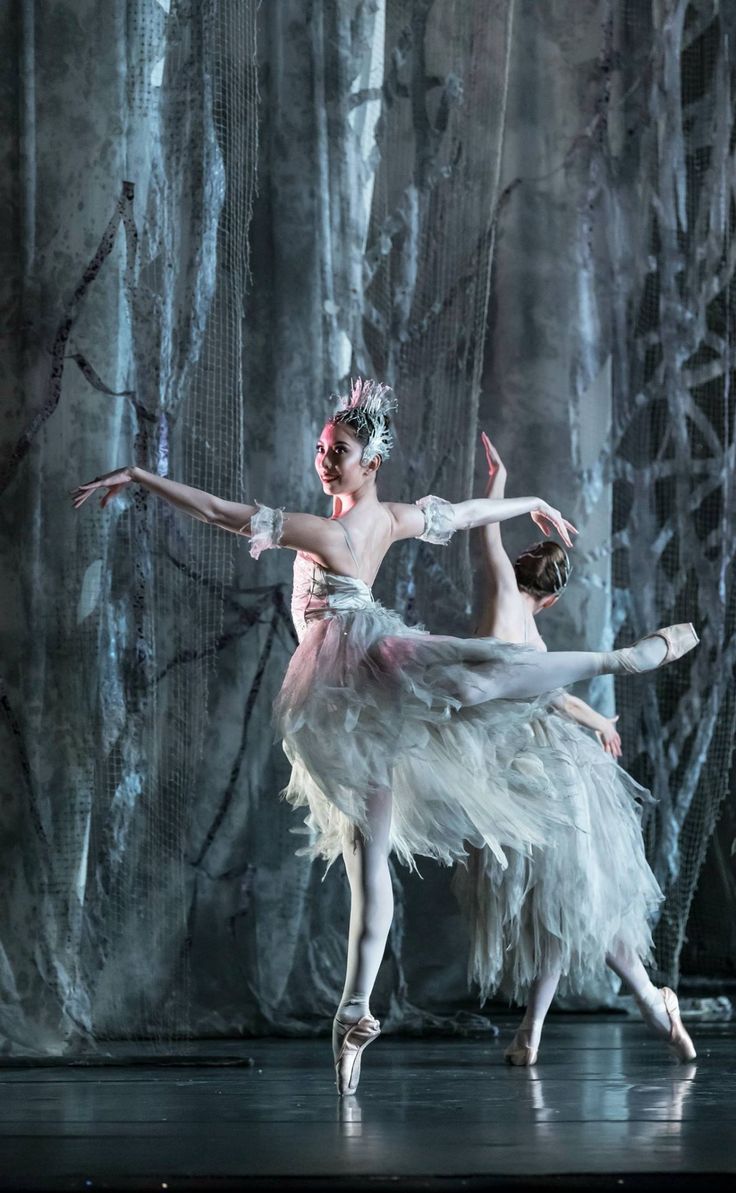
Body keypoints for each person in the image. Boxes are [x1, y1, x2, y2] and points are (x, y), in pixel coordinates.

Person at [72, 380, 698, 1093]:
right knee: (393, 818)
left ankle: (622, 660)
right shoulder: (388, 519)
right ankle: (354, 1011)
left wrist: (142, 476)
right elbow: (466, 515)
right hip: (366, 689)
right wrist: (526, 500)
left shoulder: (327, 533)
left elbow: (221, 512)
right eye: (321, 449)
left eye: (338, 452)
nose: (324, 460)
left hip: (353, 681)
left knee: (469, 685)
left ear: (371, 464)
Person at [453, 432, 697, 1066]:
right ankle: (639, 1006)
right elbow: (549, 689)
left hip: (529, 767)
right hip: (534, 767)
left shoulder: (502, 603)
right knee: (565, 900)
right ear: (554, 597)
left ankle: (548, 1028)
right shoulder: (517, 612)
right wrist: (598, 724)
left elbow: (551, 693)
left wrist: (499, 482)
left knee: (564, 899)